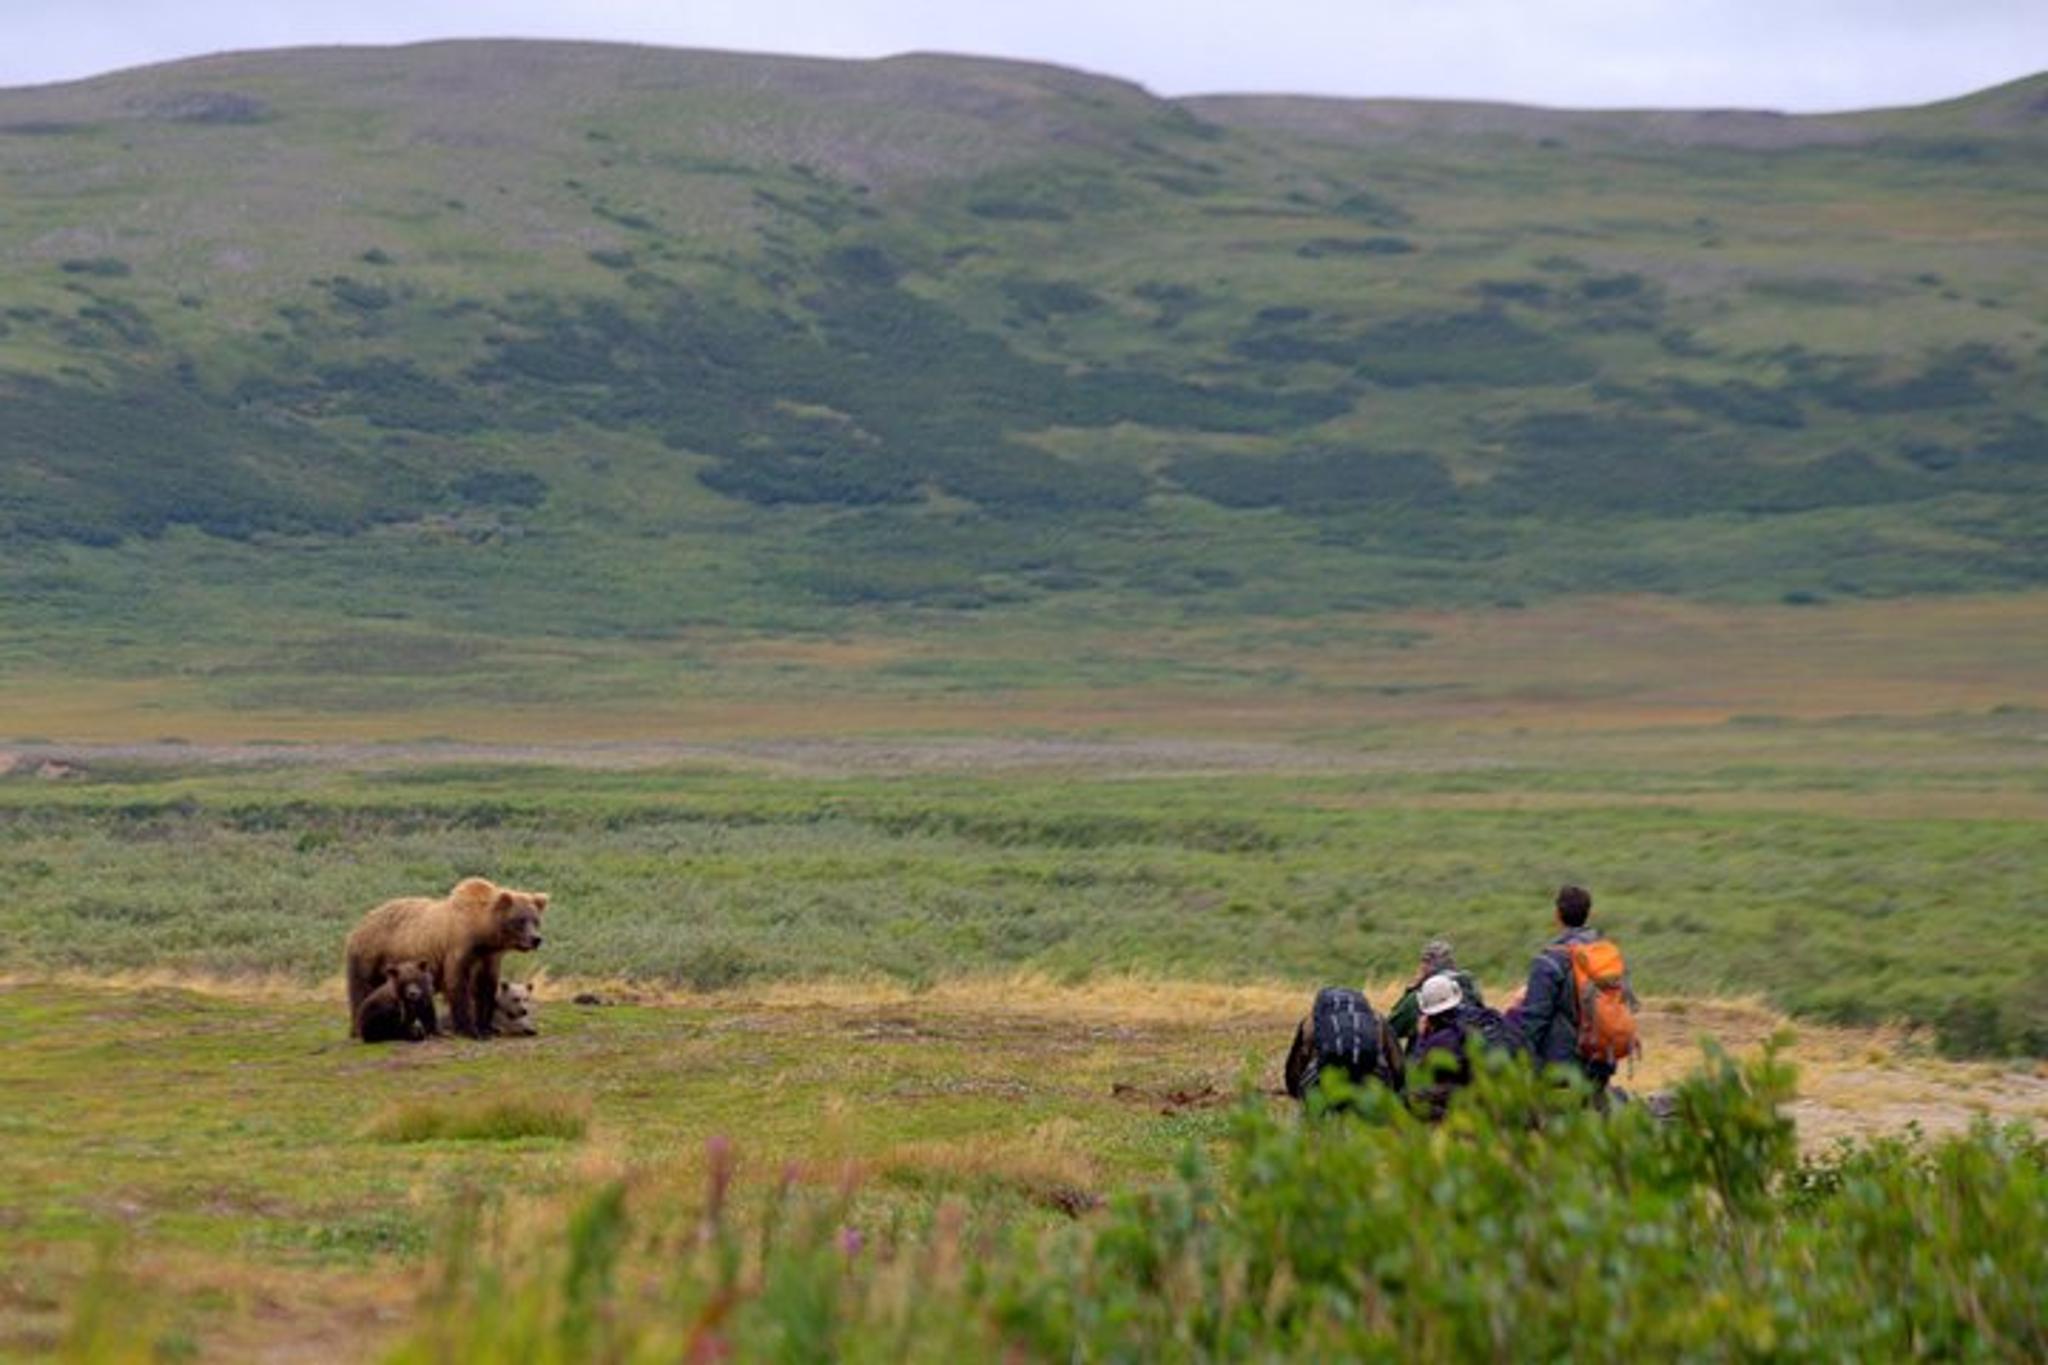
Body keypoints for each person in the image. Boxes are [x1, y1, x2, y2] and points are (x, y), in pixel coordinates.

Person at [1519, 884, 1637, 1097]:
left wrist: (1520, 1062)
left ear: (1557, 914)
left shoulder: (1550, 961)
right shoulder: (1608, 955)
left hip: (1562, 1067)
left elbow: (1534, 1021)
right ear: (1588, 913)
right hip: (1602, 1059)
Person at [1388, 938, 1484, 1050]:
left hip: (1428, 1061)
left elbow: (1392, 1029)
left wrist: (1410, 988)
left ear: (1425, 966)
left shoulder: (1419, 997)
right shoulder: (1470, 988)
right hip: (1471, 1060)